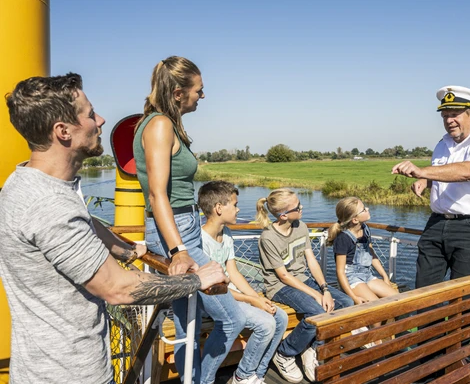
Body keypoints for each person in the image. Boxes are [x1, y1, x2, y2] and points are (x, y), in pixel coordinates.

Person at [0, 74, 228, 384]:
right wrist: (195, 279)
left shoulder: (25, 183)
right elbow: (118, 289)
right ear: (63, 131)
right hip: (71, 375)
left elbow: (85, 221)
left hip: (39, 369)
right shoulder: (50, 205)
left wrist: (127, 249)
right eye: (90, 114)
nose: (101, 120)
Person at [133, 56, 245, 384]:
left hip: (184, 227)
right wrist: (178, 248)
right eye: (199, 90)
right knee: (230, 319)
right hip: (175, 230)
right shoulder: (159, 125)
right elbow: (157, 195)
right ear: (179, 93)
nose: (203, 96)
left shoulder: (167, 123)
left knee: (186, 324)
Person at [392, 85, 470, 289]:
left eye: (454, 114)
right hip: (436, 224)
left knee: (461, 297)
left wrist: (421, 171)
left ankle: (462, 323)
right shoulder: (443, 144)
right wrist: (426, 181)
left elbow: (469, 171)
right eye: (445, 116)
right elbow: (443, 172)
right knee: (425, 292)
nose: (449, 121)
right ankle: (428, 322)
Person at [256, 188, 354, 383]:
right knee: (316, 311)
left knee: (346, 302)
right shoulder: (268, 238)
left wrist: (324, 289)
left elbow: (311, 260)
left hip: (302, 279)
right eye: (297, 206)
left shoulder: (300, 226)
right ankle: (285, 352)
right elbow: (283, 276)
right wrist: (317, 295)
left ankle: (312, 347)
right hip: (279, 286)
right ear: (283, 215)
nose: (302, 208)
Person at [198, 181, 288, 384]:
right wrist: (251, 300)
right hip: (212, 299)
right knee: (265, 324)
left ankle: (257, 371)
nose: (238, 209)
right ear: (219, 208)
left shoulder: (226, 234)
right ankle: (243, 375)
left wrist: (257, 298)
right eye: (235, 204)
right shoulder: (200, 241)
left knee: (279, 316)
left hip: (229, 295)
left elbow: (234, 273)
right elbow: (214, 288)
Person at [327, 197, 398, 305]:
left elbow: (371, 253)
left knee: (397, 299)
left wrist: (384, 276)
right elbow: (340, 272)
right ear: (355, 219)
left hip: (367, 275)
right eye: (364, 209)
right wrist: (354, 297)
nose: (368, 209)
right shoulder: (343, 238)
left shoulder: (365, 229)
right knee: (375, 307)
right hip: (351, 279)